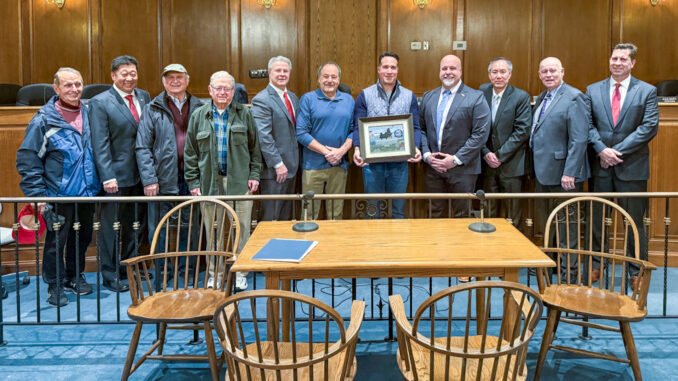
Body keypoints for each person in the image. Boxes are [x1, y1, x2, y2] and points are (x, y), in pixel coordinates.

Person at [16, 67, 101, 307]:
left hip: (86, 193)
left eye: (78, 84)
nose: (74, 89)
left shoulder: (90, 112)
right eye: (68, 85)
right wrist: (37, 196)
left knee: (82, 238)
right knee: (56, 243)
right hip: (57, 194)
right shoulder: (44, 119)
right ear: (56, 88)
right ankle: (55, 284)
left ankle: (75, 277)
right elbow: (28, 158)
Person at [587, 43, 659, 288]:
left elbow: (648, 127)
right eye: (614, 58)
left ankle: (636, 269)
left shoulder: (647, 91)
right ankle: (597, 265)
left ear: (632, 63)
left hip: (632, 166)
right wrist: (601, 149)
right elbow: (587, 125)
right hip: (601, 165)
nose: (617, 63)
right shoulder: (593, 90)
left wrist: (615, 151)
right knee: (598, 218)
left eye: (622, 59)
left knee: (634, 222)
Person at [184, 70, 262, 291]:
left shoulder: (244, 114)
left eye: (227, 88)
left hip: (239, 182)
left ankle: (239, 272)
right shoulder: (199, 116)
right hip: (210, 184)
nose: (222, 92)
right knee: (213, 232)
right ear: (210, 90)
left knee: (242, 229)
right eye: (218, 88)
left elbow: (255, 149)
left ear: (233, 91)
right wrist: (193, 183)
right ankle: (214, 274)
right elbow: (190, 153)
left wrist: (254, 175)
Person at [136, 63, 204, 278]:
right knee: (160, 229)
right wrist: (149, 179)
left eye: (179, 77)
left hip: (192, 178)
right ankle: (164, 272)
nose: (175, 81)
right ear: (164, 82)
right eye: (170, 77)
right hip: (162, 179)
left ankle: (187, 271)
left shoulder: (200, 107)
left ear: (187, 80)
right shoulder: (152, 108)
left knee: (190, 227)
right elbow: (142, 146)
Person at [90, 55, 151, 292]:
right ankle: (110, 273)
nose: (129, 77)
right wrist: (107, 176)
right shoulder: (100, 102)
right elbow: (100, 143)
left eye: (133, 73)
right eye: (124, 73)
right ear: (113, 75)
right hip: (115, 176)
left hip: (142, 175)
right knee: (111, 228)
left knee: (135, 225)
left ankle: (130, 267)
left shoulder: (144, 96)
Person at [531, 57, 589, 279]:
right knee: (549, 227)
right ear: (539, 74)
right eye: (544, 71)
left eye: (552, 71)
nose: (548, 75)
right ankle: (552, 272)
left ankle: (569, 278)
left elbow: (579, 139)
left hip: (565, 176)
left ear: (562, 72)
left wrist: (570, 171)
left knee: (568, 231)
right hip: (543, 173)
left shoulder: (574, 97)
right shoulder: (542, 97)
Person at [420, 54, 490, 218]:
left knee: (461, 215)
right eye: (444, 68)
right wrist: (427, 155)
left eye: (452, 68)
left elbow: (480, 134)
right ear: (439, 72)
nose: (448, 72)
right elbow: (420, 129)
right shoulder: (429, 96)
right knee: (434, 214)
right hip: (433, 167)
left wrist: (455, 159)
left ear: (460, 71)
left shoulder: (476, 97)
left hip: (463, 169)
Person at [353, 52, 421, 219]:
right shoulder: (365, 95)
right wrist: (357, 148)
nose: (389, 71)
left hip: (399, 164)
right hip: (372, 164)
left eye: (393, 67)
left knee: (398, 210)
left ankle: (398, 245)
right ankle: (373, 244)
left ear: (397, 70)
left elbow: (416, 127)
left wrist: (416, 147)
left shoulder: (409, 95)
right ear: (379, 69)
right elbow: (357, 126)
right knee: (372, 210)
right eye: (385, 67)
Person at [296, 62, 355, 219]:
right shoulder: (308, 99)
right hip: (312, 167)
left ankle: (333, 244)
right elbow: (301, 133)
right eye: (326, 76)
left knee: (336, 215)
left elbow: (354, 131)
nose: (330, 80)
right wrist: (327, 152)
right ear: (318, 79)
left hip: (339, 165)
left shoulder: (349, 100)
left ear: (339, 79)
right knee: (309, 215)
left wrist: (341, 152)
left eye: (334, 77)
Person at [479, 57, 532, 227]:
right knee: (487, 213)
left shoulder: (521, 96)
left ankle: (512, 252)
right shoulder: (481, 93)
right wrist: (486, 153)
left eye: (503, 72)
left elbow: (522, 131)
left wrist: (499, 156)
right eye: (495, 72)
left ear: (509, 74)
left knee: (512, 214)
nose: (498, 76)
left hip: (512, 165)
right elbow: (474, 127)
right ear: (489, 75)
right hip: (486, 165)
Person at [250, 56, 299, 221]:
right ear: (270, 72)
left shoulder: (292, 98)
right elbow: (264, 136)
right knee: (271, 219)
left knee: (285, 219)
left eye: (285, 71)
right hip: (274, 171)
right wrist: (278, 164)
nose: (282, 74)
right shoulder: (261, 100)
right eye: (278, 70)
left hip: (291, 168)